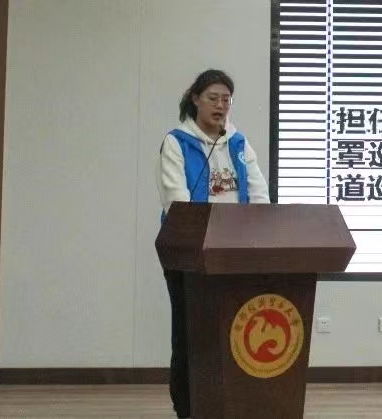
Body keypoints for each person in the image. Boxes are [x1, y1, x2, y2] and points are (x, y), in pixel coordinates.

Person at [156, 69, 270, 418]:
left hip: (236, 253)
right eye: (213, 98)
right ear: (195, 99)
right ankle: (188, 408)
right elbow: (176, 202)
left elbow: (259, 195)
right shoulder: (177, 142)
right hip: (189, 254)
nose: (221, 106)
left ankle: (232, 403)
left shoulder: (238, 144)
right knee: (190, 334)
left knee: (234, 331)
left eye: (226, 99)